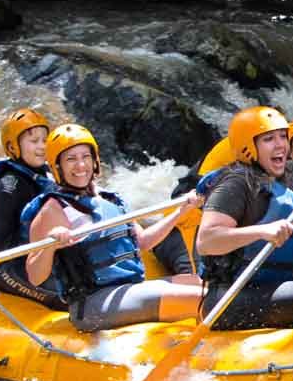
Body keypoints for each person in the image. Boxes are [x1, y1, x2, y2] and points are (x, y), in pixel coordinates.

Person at [21, 124, 204, 332]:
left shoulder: (111, 200)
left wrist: (181, 211)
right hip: (93, 305)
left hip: (128, 289)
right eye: (71, 159)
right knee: (201, 298)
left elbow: (143, 242)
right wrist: (50, 246)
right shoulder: (52, 210)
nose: (80, 165)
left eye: (85, 157)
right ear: (57, 166)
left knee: (202, 284)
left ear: (95, 160)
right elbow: (35, 276)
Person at [194, 106, 293, 330]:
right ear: (247, 146)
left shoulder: (288, 174)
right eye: (268, 139)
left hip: (279, 287)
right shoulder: (235, 184)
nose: (280, 144)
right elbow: (206, 241)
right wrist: (262, 231)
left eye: (283, 136)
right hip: (232, 298)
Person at [0, 108, 59, 306]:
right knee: (66, 298)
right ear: (13, 147)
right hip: (11, 267)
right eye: (33, 141)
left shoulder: (45, 174)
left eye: (44, 140)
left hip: (38, 258)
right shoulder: (10, 186)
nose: (41, 147)